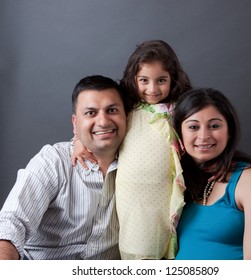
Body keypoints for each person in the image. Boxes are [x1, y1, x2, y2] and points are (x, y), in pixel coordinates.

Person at [72, 40, 192, 259]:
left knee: (163, 237)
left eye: (161, 81)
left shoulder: (180, 109)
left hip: (164, 187)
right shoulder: (128, 107)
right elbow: (98, 123)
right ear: (133, 79)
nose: (152, 89)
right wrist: (78, 141)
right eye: (144, 80)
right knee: (135, 241)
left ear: (173, 79)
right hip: (130, 190)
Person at [0, 75, 127, 260]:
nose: (103, 121)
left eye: (112, 110)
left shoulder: (137, 167)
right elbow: (11, 222)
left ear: (126, 115)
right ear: (75, 123)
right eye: (91, 113)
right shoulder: (53, 161)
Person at [173, 87, 251, 260]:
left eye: (214, 126)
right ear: (179, 133)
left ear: (229, 131)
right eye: (193, 126)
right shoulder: (181, 182)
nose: (203, 136)